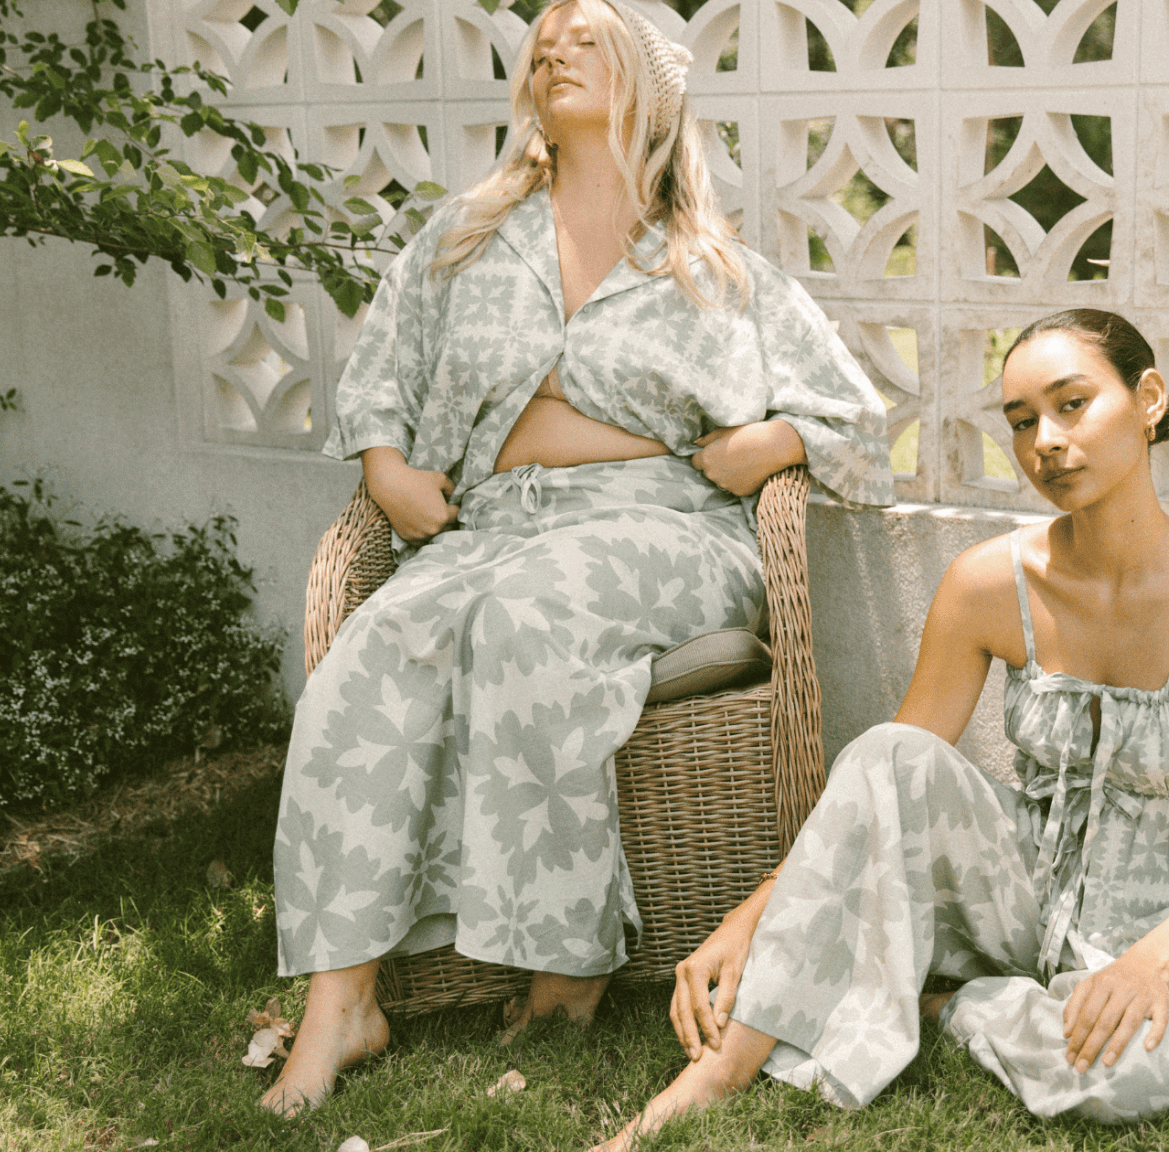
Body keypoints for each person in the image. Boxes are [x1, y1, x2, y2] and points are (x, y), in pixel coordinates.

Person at [261, 0, 891, 1116]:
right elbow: (382, 373)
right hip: (495, 524)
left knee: (534, 614)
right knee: (371, 651)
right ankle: (339, 1003)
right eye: (539, 45)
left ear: (648, 84)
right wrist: (382, 467)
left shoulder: (711, 266)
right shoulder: (462, 239)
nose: (551, 50)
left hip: (666, 525)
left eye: (582, 39)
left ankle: (565, 973)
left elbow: (853, 418)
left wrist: (770, 441)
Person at [598, 309, 1169, 1147]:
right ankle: (720, 1070)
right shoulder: (987, 583)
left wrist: (1148, 964)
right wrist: (748, 918)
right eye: (1021, 421)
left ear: (1149, 398)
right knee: (891, 747)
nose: (1046, 439)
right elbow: (882, 787)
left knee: (1126, 1077)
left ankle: (948, 1003)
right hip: (1025, 894)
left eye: (1072, 405)